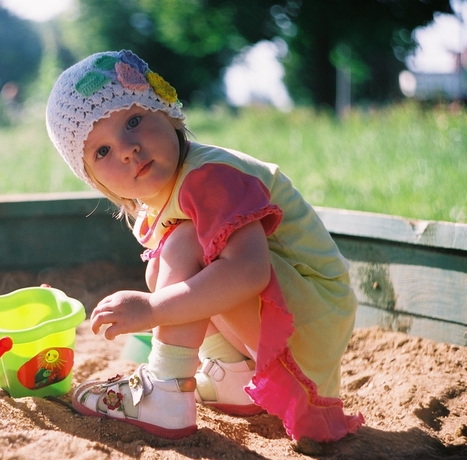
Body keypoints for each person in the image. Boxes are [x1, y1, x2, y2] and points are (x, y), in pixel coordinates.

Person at [46, 50, 364, 441]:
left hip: (313, 310)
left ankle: (165, 388)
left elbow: (248, 271)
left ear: (166, 112)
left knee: (185, 243)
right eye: (103, 151)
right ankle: (233, 373)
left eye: (133, 120)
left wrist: (152, 309)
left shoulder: (208, 177)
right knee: (161, 263)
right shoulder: (169, 192)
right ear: (96, 180)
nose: (127, 148)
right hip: (295, 310)